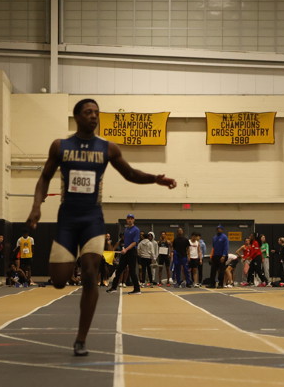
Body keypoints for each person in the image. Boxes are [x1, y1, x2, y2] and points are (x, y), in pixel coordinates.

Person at [26, 98, 176, 356]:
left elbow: (130, 173)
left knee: (90, 273)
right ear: (77, 117)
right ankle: (65, 268)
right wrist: (36, 206)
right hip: (67, 218)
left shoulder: (107, 148)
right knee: (59, 280)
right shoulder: (61, 146)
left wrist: (155, 179)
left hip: (92, 219)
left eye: (96, 112)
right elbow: (44, 177)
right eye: (88, 112)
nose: (94, 116)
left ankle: (81, 339)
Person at [108, 213, 142, 293]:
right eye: (128, 218)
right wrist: (123, 248)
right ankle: (114, 288)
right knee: (119, 270)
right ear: (126, 220)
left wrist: (126, 249)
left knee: (132, 271)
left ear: (133, 220)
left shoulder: (136, 230)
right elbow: (125, 241)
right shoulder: (126, 229)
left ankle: (137, 289)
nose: (130, 220)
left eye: (131, 219)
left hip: (132, 252)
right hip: (125, 252)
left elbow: (134, 242)